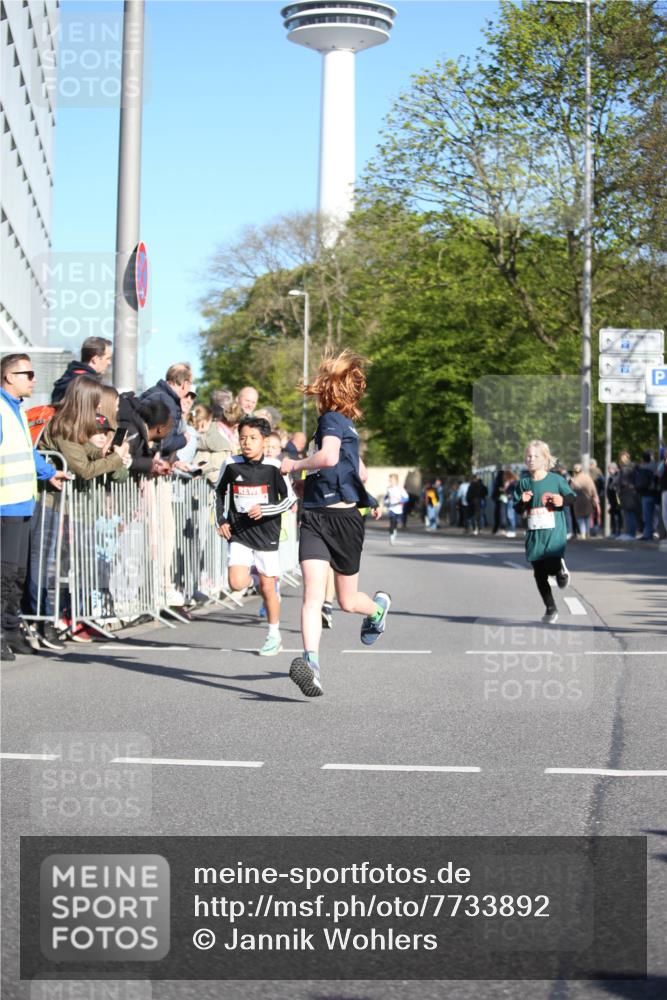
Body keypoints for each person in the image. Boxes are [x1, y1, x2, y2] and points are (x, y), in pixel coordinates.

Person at [280, 350, 390, 698]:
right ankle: (310, 664)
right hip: (316, 516)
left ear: (328, 391)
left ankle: (377, 608)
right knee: (312, 594)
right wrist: (309, 484)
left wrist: (294, 466)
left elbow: (327, 458)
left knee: (346, 601)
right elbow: (359, 471)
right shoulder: (347, 427)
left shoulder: (331, 420)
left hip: (341, 521)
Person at [1, 354, 69, 659]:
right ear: (8, 377)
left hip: (23, 503)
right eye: (27, 374)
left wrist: (49, 472)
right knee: (4, 574)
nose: (33, 379)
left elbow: (26, 453)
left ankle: (11, 631)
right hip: (5, 505)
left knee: (18, 574)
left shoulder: (15, 409)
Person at [215, 417, 296, 656]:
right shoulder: (230, 464)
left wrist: (266, 509)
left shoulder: (273, 467)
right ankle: (253, 577)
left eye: (253, 438)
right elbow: (219, 493)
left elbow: (290, 499)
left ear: (264, 441)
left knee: (269, 588)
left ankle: (274, 635)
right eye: (243, 438)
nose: (247, 443)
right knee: (236, 583)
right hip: (240, 532)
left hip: (266, 535)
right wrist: (221, 520)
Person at [513, 440, 576, 624]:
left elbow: (572, 497)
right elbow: (518, 509)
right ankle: (550, 608)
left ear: (545, 459)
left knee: (551, 560)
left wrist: (561, 500)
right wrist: (523, 501)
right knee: (539, 573)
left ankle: (559, 569)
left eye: (535, 456)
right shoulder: (523, 483)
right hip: (534, 533)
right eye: (528, 456)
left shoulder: (556, 480)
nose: (531, 459)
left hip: (553, 530)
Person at [51, 337, 113, 404]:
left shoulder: (67, 378)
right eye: (107, 358)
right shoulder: (88, 384)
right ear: (95, 359)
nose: (109, 362)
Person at [570, 463, 599, 540]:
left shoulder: (574, 479)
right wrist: (595, 497)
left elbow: (570, 490)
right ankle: (587, 533)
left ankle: (582, 533)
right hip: (587, 499)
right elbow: (593, 488)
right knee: (587, 517)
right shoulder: (587, 477)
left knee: (579, 517)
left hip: (577, 500)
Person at [635, 450, 658, 540]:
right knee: (656, 515)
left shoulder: (643, 468)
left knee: (647, 515)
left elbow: (641, 482)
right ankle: (656, 532)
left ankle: (648, 534)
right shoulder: (657, 466)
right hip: (656, 493)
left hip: (646, 493)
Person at [384, 473, 408, 544]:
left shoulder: (400, 489)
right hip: (391, 508)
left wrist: (400, 501)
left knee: (395, 523)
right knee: (392, 522)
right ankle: (391, 537)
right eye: (390, 480)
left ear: (396, 481)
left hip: (398, 508)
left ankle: (394, 533)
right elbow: (386, 497)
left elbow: (406, 498)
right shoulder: (388, 489)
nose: (390, 481)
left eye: (392, 480)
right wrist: (386, 502)